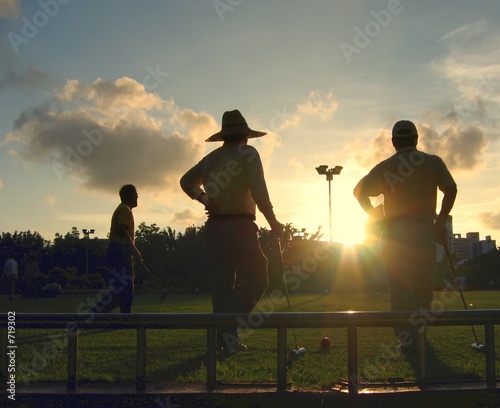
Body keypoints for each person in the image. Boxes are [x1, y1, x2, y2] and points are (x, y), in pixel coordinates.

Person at [180, 109, 283, 353]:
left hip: (215, 228)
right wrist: (274, 222)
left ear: (224, 136)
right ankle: (230, 325)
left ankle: (225, 338)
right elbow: (259, 192)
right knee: (259, 277)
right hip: (241, 226)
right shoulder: (248, 154)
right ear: (245, 136)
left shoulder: (211, 159)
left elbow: (186, 182)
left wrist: (205, 199)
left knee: (221, 285)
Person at [353, 120, 457, 352]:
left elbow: (358, 192)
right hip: (423, 233)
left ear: (393, 142)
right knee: (423, 287)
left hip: (394, 234)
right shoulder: (433, 162)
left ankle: (405, 339)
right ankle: (420, 337)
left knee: (400, 288)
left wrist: (375, 217)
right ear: (416, 138)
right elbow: (451, 189)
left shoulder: (387, 166)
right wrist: (440, 220)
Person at [92, 184, 143, 314]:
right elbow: (122, 230)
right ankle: (96, 315)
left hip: (119, 251)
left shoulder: (125, 209)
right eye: (136, 194)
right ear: (131, 196)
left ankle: (124, 318)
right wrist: (134, 250)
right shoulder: (124, 209)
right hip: (120, 251)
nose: (137, 196)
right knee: (123, 290)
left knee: (123, 290)